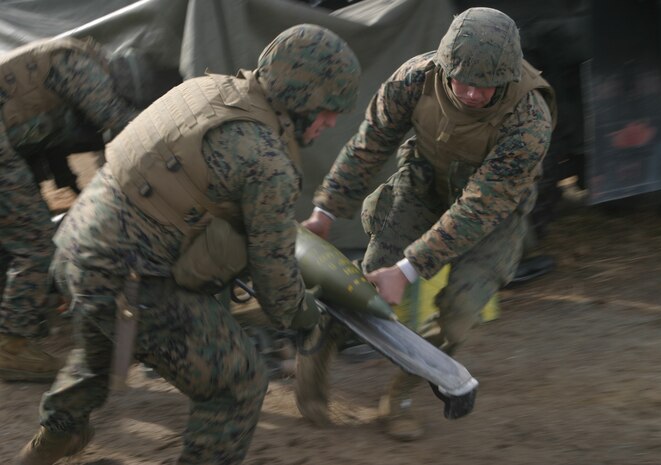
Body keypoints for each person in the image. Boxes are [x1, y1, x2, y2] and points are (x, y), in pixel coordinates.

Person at [15, 24, 360, 465]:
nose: (331, 121)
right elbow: (276, 282)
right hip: (131, 279)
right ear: (302, 93)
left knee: (100, 349)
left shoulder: (207, 88)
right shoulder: (267, 161)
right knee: (238, 385)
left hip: (77, 248)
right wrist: (313, 320)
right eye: (329, 109)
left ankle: (50, 441)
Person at [297, 7, 557, 441]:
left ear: (507, 77)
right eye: (463, 80)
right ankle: (316, 354)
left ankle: (399, 395)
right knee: (363, 287)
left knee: (458, 316)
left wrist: (410, 269)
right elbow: (370, 144)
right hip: (423, 184)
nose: (473, 94)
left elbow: (479, 207)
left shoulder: (529, 120)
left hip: (491, 214)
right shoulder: (415, 79)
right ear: (444, 65)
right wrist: (325, 210)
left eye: (486, 85)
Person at [0, 36, 153, 383]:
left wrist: (70, 182)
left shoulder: (59, 57)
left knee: (12, 237)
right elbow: (113, 117)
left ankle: (19, 321)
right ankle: (11, 345)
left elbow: (42, 124)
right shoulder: (77, 62)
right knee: (35, 242)